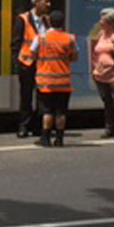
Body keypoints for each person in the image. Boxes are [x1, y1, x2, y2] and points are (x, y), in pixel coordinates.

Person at [31, 10, 78, 147]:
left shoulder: (41, 38)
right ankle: (59, 139)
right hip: (63, 82)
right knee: (61, 112)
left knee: (47, 111)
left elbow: (33, 54)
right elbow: (74, 57)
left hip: (45, 82)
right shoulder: (70, 38)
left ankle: (45, 138)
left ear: (49, 22)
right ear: (62, 23)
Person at [11, 0, 51, 138]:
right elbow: (16, 43)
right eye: (46, 1)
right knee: (26, 96)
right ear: (36, 3)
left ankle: (38, 127)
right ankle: (23, 126)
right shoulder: (23, 19)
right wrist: (18, 63)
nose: (49, 4)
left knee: (42, 97)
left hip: (43, 64)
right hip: (27, 64)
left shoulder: (47, 20)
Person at [91, 8, 114, 139]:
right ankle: (109, 128)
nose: (100, 21)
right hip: (101, 76)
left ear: (111, 22)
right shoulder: (101, 34)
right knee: (107, 103)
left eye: (103, 19)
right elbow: (96, 52)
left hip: (113, 76)